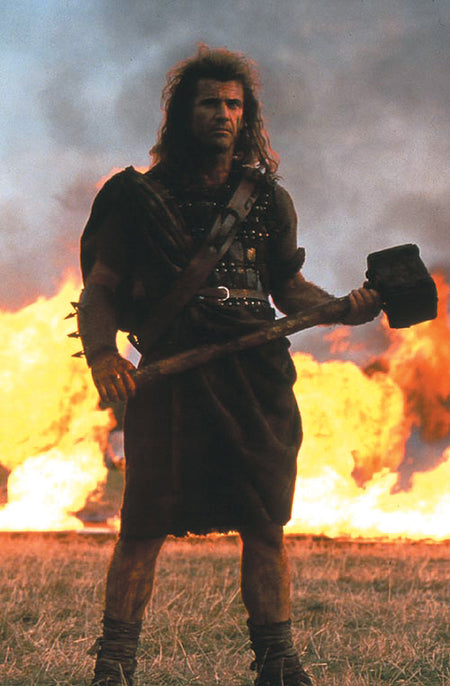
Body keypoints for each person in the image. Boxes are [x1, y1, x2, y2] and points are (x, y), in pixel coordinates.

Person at [77, 47, 381, 686]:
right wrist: (103, 354)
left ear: (248, 115)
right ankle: (114, 665)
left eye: (234, 104)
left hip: (256, 379)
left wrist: (341, 309)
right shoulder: (136, 198)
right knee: (143, 526)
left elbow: (287, 288)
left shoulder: (268, 200)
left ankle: (277, 663)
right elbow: (101, 286)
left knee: (265, 525)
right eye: (210, 102)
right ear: (183, 113)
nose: (223, 114)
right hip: (173, 376)